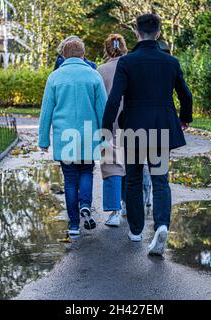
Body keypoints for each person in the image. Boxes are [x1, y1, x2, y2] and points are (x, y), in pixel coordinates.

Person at [102, 14, 193, 255]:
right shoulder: (170, 62)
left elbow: (114, 99)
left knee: (132, 180)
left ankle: (136, 230)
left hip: (133, 129)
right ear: (159, 33)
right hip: (162, 128)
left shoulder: (127, 62)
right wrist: (185, 118)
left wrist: (106, 127)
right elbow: (186, 95)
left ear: (136, 33)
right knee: (160, 180)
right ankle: (162, 225)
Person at [39, 39, 107, 236]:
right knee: (86, 171)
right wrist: (105, 138)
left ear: (63, 56)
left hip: (65, 137)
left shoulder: (54, 77)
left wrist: (44, 141)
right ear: (83, 54)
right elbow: (102, 110)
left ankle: (74, 225)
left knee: (70, 180)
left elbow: (46, 112)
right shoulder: (94, 76)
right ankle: (85, 204)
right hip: (88, 135)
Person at [97, 34, 128, 227]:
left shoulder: (101, 71)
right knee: (130, 164)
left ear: (107, 50)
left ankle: (114, 212)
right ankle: (127, 204)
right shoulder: (132, 67)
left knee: (112, 166)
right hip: (131, 120)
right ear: (124, 47)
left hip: (109, 122)